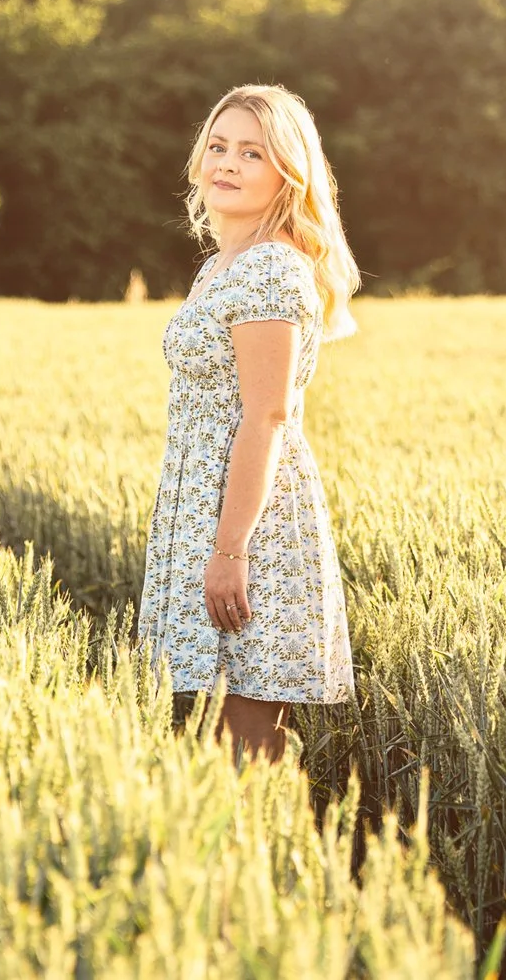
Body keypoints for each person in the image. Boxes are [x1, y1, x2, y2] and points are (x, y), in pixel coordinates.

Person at [136, 82, 361, 761]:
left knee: (248, 737)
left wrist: (231, 548)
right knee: (208, 735)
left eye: (252, 152)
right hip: (200, 516)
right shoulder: (216, 267)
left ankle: (268, 859)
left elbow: (265, 416)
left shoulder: (270, 268)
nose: (227, 163)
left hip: (248, 527)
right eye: (219, 146)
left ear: (287, 171)